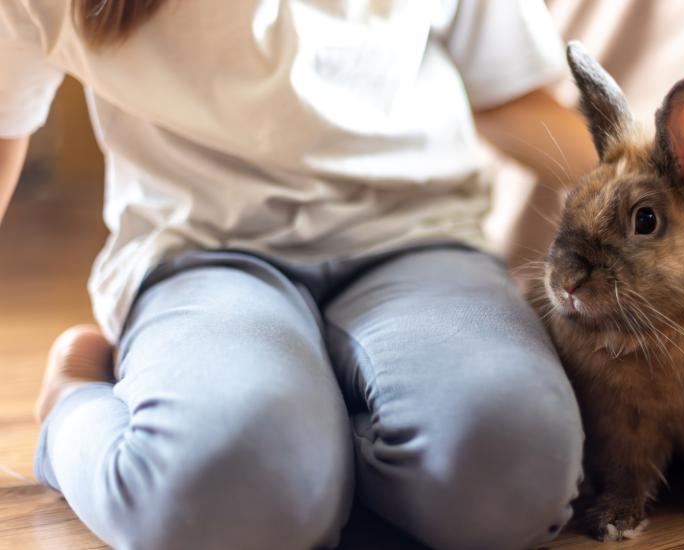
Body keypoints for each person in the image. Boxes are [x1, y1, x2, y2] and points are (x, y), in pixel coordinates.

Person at [0, 1, 600, 549]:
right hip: (206, 253)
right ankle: (72, 405)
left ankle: (306, 447)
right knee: (226, 500)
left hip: (418, 240)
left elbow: (507, 96)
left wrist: (665, 193)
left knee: (514, 472)